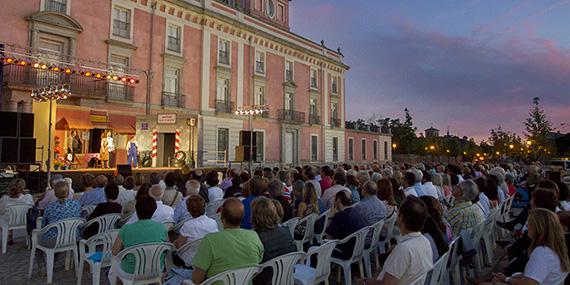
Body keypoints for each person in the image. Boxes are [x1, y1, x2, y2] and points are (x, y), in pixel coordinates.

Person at [359, 196, 433, 285]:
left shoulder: (404, 249)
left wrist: (365, 282)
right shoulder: (425, 241)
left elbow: (386, 284)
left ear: (401, 218)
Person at [486, 208, 569, 285]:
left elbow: (529, 283)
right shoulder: (556, 248)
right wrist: (507, 278)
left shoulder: (542, 253)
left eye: (529, 223)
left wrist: (507, 280)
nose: (526, 226)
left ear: (538, 228)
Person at [191, 198, 264, 284]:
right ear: (242, 217)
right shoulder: (254, 236)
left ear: (222, 218)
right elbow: (257, 263)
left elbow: (196, 279)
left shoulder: (210, 240)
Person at [111, 196, 168, 277]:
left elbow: (114, 251)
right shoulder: (162, 227)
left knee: (114, 264)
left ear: (136, 210)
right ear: (154, 211)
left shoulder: (126, 229)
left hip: (131, 272)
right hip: (156, 269)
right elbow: (167, 248)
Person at [252, 197, 297, 285]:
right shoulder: (285, 229)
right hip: (287, 274)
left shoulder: (255, 237)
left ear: (254, 215)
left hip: (266, 280)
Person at [173, 195, 218, 268]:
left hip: (189, 260)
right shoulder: (213, 222)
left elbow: (179, 246)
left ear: (188, 210)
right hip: (206, 258)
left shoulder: (188, 225)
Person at [325, 191, 366, 259]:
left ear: (338, 201)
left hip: (346, 251)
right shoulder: (355, 210)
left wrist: (331, 217)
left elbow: (328, 238)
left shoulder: (339, 216)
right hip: (358, 248)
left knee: (313, 248)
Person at [0, 178, 34, 245]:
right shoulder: (28, 197)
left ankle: (9, 235)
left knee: (5, 216)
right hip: (23, 220)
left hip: (7, 222)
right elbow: (32, 207)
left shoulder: (4, 199)